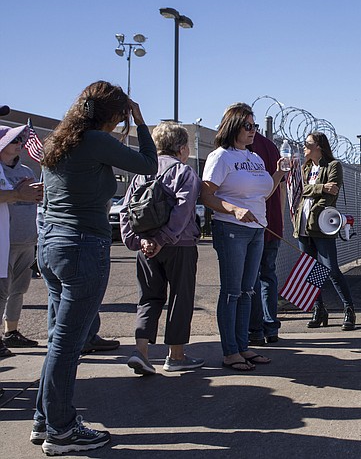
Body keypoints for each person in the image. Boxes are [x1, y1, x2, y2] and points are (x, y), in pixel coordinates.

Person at [32, 81, 157, 455]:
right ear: (112, 114)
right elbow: (149, 165)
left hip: (51, 243)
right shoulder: (96, 141)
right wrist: (140, 121)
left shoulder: (59, 141)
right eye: (120, 116)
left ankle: (46, 420)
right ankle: (62, 431)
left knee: (58, 340)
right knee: (69, 345)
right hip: (83, 245)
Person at [201, 103, 284, 371]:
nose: (252, 131)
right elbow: (206, 195)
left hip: (257, 229)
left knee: (249, 290)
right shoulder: (220, 157)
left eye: (254, 126)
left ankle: (244, 346)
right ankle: (230, 351)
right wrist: (234, 209)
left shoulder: (255, 157)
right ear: (233, 127)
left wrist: (279, 172)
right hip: (232, 230)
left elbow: (263, 194)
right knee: (232, 291)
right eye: (247, 126)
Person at [120, 122, 203, 375]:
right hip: (179, 245)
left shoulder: (141, 173)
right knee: (180, 297)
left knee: (149, 297)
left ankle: (141, 351)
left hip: (145, 246)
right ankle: (175, 355)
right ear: (181, 147)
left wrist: (138, 240)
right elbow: (183, 209)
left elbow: (127, 210)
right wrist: (163, 238)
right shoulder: (183, 172)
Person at [292, 131, 354, 330]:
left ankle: (349, 309)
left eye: (307, 143)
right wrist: (321, 188)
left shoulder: (333, 166)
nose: (304, 147)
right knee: (310, 269)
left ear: (318, 146)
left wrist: (317, 189)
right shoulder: (306, 168)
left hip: (321, 224)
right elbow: (299, 191)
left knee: (331, 269)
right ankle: (318, 309)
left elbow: (332, 191)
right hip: (303, 225)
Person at [0, 124, 43, 355]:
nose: (19, 144)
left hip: (27, 240)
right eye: (14, 140)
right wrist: (17, 194)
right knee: (1, 291)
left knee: (19, 289)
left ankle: (12, 331)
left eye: (20, 140)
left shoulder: (27, 170)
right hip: (5, 241)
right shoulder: (0, 171)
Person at [248, 131, 284, 346]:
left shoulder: (244, 149)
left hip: (253, 222)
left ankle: (255, 328)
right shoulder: (270, 147)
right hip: (271, 222)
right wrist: (278, 221)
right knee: (268, 275)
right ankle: (270, 326)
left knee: (251, 278)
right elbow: (281, 188)